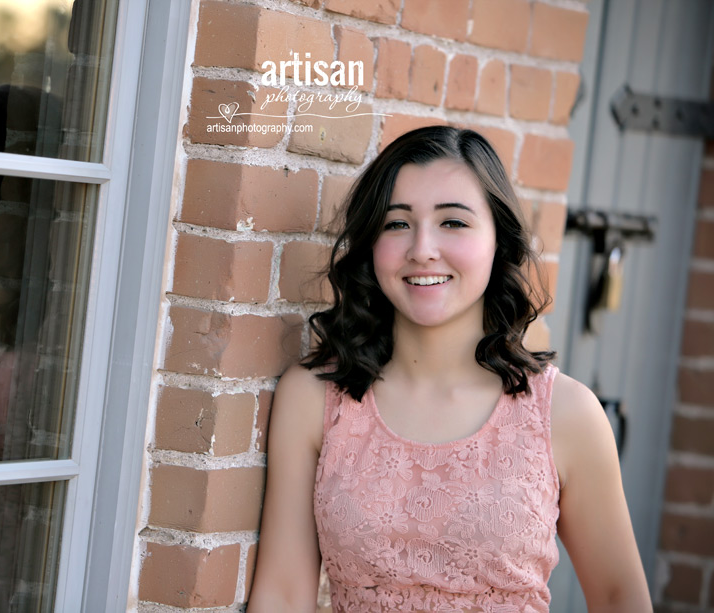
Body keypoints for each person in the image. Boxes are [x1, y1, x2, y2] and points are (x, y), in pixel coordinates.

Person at [248, 126, 652, 612]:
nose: (422, 248)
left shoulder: (567, 414)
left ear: (498, 241)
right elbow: (283, 595)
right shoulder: (313, 399)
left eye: (453, 223)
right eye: (397, 224)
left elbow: (619, 598)